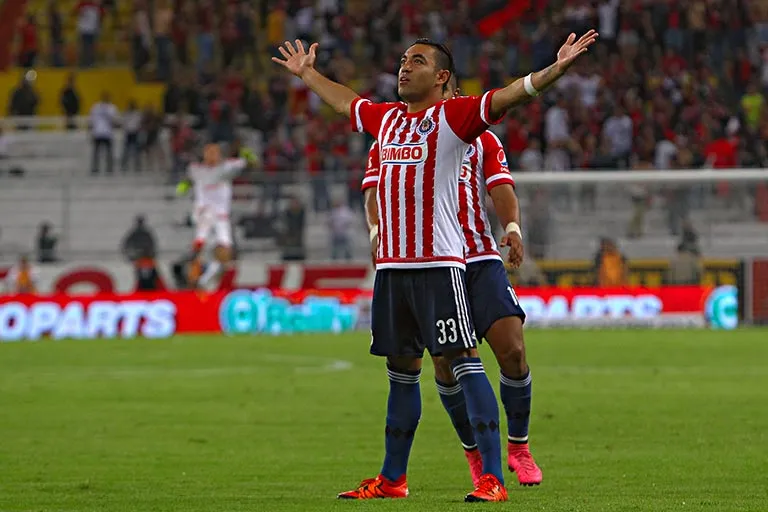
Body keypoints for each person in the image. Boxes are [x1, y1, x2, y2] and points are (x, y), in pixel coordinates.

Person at [272, 29, 597, 502]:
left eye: (417, 60)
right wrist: (308, 74)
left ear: (442, 76)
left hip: (442, 262)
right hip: (392, 270)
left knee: (465, 362)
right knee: (402, 372)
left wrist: (554, 70)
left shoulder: (455, 118)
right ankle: (392, 479)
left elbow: (508, 96)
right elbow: (348, 104)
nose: (405, 66)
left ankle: (493, 477)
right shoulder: (386, 123)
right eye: (403, 59)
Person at [362, 75, 541, 489]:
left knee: (512, 347)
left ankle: (518, 447)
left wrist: (512, 226)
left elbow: (500, 187)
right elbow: (373, 193)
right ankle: (476, 456)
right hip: (431, 260)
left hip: (476, 256)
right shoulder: (391, 134)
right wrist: (376, 233)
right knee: (446, 363)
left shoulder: (480, 139)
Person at [176, 142, 257, 290]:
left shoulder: (227, 168)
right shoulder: (197, 169)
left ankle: (203, 280)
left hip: (221, 217)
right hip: (204, 214)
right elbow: (190, 177)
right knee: (201, 245)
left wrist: (248, 157)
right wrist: (185, 185)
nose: (212, 156)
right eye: (209, 152)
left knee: (225, 253)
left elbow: (251, 163)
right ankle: (193, 271)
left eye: (215, 152)